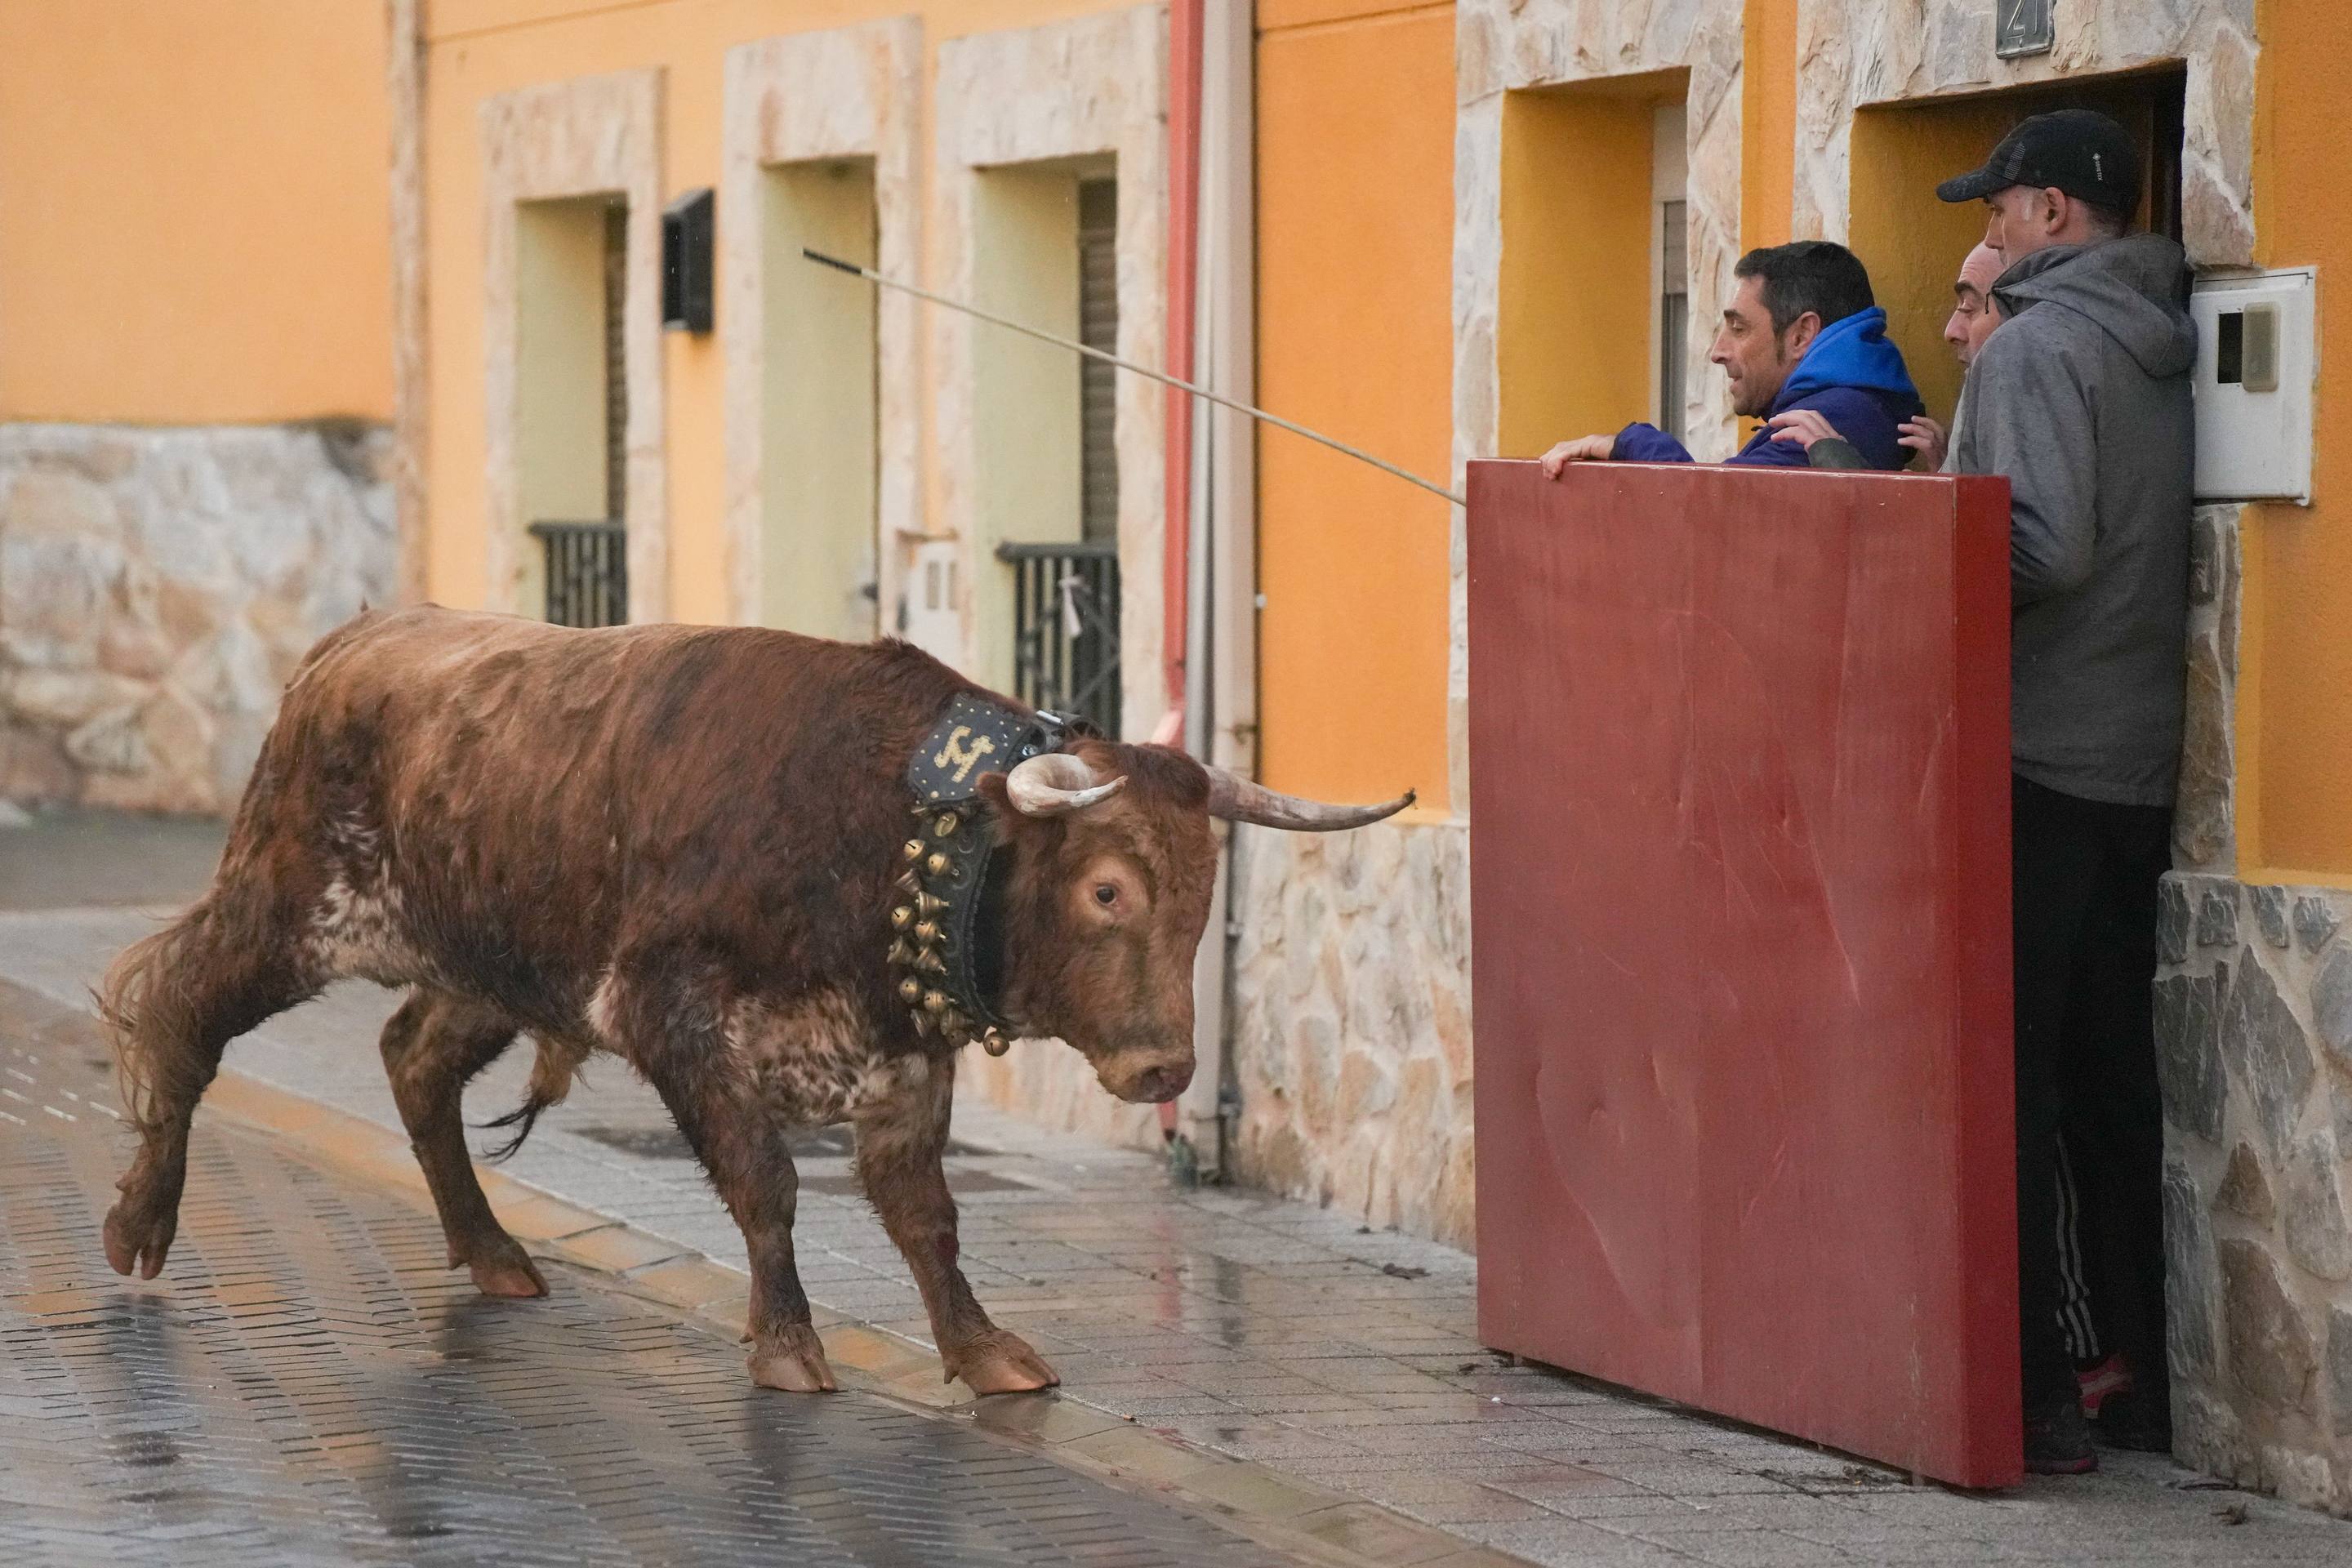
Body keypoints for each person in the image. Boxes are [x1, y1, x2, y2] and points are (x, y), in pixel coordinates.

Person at [1940, 108, 2195, 1475]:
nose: (1986, 235)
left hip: (2037, 755)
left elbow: (2037, 543)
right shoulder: (2163, 340)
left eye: (1998, 210)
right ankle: (2141, 1385)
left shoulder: (2039, 345)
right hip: (2138, 758)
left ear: (2049, 215)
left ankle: (2038, 1393)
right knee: (2110, 1086)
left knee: (2016, 1086)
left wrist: (1931, 544)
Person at [1537, 240, 1922, 476]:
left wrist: (1626, 443)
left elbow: (1713, 508)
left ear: (1801, 335)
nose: (1718, 352)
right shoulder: (1854, 406)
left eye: (1739, 329)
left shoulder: (1836, 417)